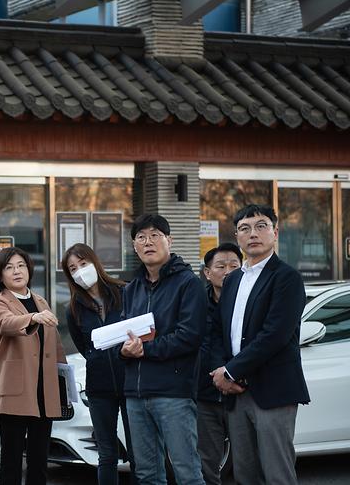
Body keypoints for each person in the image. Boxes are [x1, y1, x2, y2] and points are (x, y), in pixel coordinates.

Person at [210, 205, 310, 485]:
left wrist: (229, 371)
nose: (252, 234)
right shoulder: (232, 281)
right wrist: (222, 372)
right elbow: (219, 331)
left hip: (273, 391)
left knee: (277, 474)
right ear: (237, 236)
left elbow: (274, 335)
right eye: (244, 228)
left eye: (261, 226)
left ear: (275, 233)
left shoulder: (287, 278)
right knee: (244, 474)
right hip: (236, 393)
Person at [120, 214, 207, 485]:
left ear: (169, 240)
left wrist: (145, 350)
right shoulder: (132, 288)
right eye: (141, 237)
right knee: (146, 474)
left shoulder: (188, 283)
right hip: (135, 393)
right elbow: (124, 334)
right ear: (134, 245)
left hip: (174, 393)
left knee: (186, 471)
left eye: (155, 235)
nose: (148, 242)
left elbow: (189, 336)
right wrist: (124, 349)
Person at [0, 247, 66, 485]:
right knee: (11, 461)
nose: (17, 271)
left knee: (39, 460)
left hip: (44, 391)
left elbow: (56, 345)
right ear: (0, 276)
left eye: (21, 265)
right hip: (16, 392)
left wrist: (64, 381)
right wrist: (33, 318)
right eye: (9, 267)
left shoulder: (40, 300)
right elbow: (7, 323)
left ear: (29, 269)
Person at [62, 243, 136, 485]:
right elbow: (85, 347)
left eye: (83, 264)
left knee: (138, 452)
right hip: (99, 388)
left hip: (132, 383)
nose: (80, 271)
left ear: (95, 262)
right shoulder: (73, 309)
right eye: (73, 269)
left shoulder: (124, 292)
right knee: (106, 454)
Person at [197, 243, 242, 485]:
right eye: (220, 266)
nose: (227, 271)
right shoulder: (196, 303)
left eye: (234, 266)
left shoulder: (248, 302)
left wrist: (233, 375)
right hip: (205, 394)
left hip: (241, 391)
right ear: (207, 272)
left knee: (246, 462)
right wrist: (216, 374)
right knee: (207, 462)